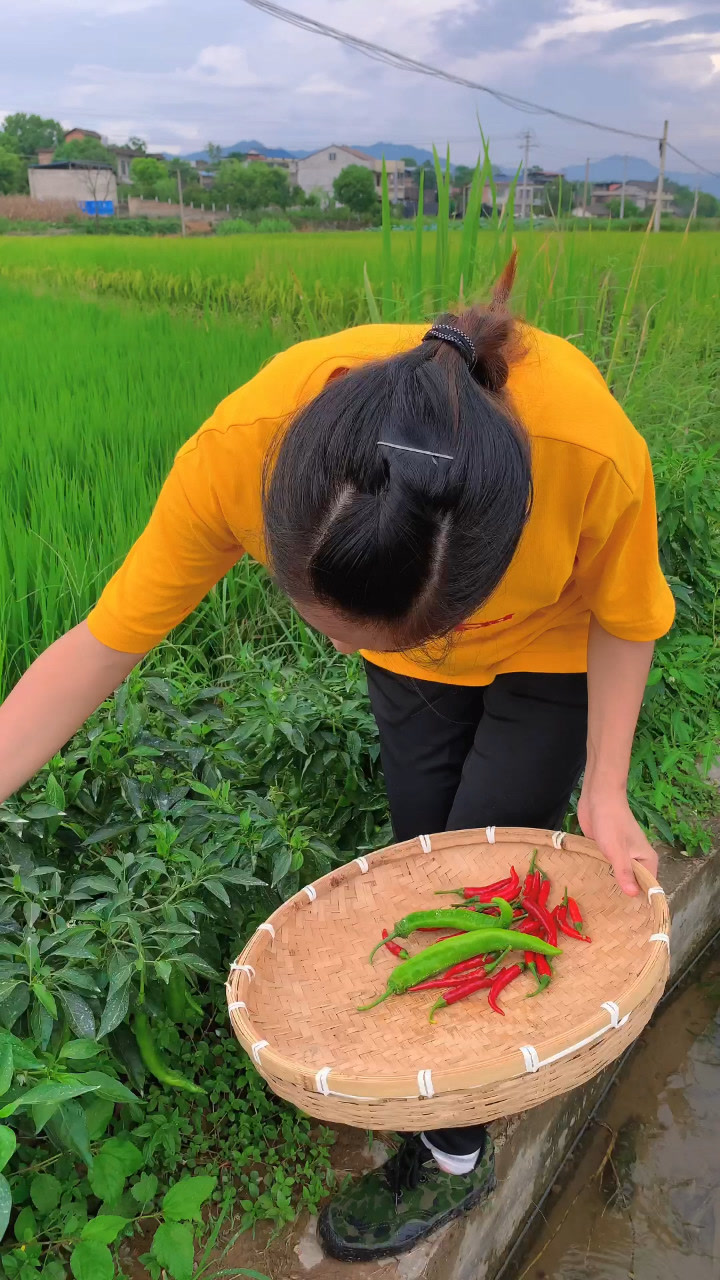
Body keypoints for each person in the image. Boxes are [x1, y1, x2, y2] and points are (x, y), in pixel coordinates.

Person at [0, 256, 673, 1263]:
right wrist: (399, 646)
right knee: (422, 860)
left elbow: (626, 618)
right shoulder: (242, 453)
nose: (359, 654)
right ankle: (449, 1108)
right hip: (407, 635)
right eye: (337, 630)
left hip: (548, 657)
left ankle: (452, 1150)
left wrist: (607, 788)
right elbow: (97, 649)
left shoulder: (587, 451)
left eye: (407, 629)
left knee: (482, 876)